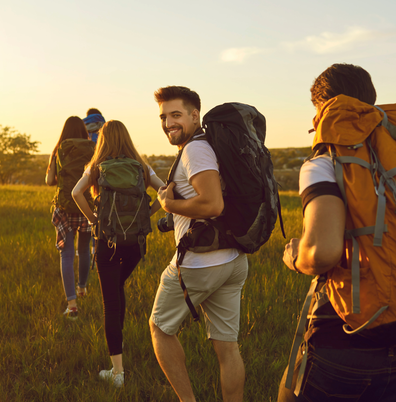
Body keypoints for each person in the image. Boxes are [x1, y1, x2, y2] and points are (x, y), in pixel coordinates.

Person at [278, 63, 396, 401]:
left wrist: (294, 255)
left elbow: (323, 252)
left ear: (324, 110)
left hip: (343, 335)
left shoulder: (324, 161)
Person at [149, 86, 248, 402]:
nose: (168, 123)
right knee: (227, 345)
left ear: (195, 115)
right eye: (164, 117)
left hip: (200, 262)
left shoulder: (196, 150)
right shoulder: (211, 146)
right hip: (232, 260)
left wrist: (169, 206)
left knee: (160, 328)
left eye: (175, 115)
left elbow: (213, 205)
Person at [72, 120, 164, 388]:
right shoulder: (141, 167)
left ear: (103, 140)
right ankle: (118, 343)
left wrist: (93, 220)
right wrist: (148, 213)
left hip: (107, 242)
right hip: (135, 244)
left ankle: (118, 373)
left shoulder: (96, 167)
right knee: (118, 287)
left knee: (110, 301)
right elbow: (166, 190)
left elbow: (76, 192)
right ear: (127, 138)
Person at [45, 116, 93, 320]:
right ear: (83, 131)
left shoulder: (59, 150)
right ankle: (82, 288)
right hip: (86, 205)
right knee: (84, 250)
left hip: (64, 206)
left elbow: (49, 181)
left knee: (66, 254)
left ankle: (72, 304)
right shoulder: (93, 149)